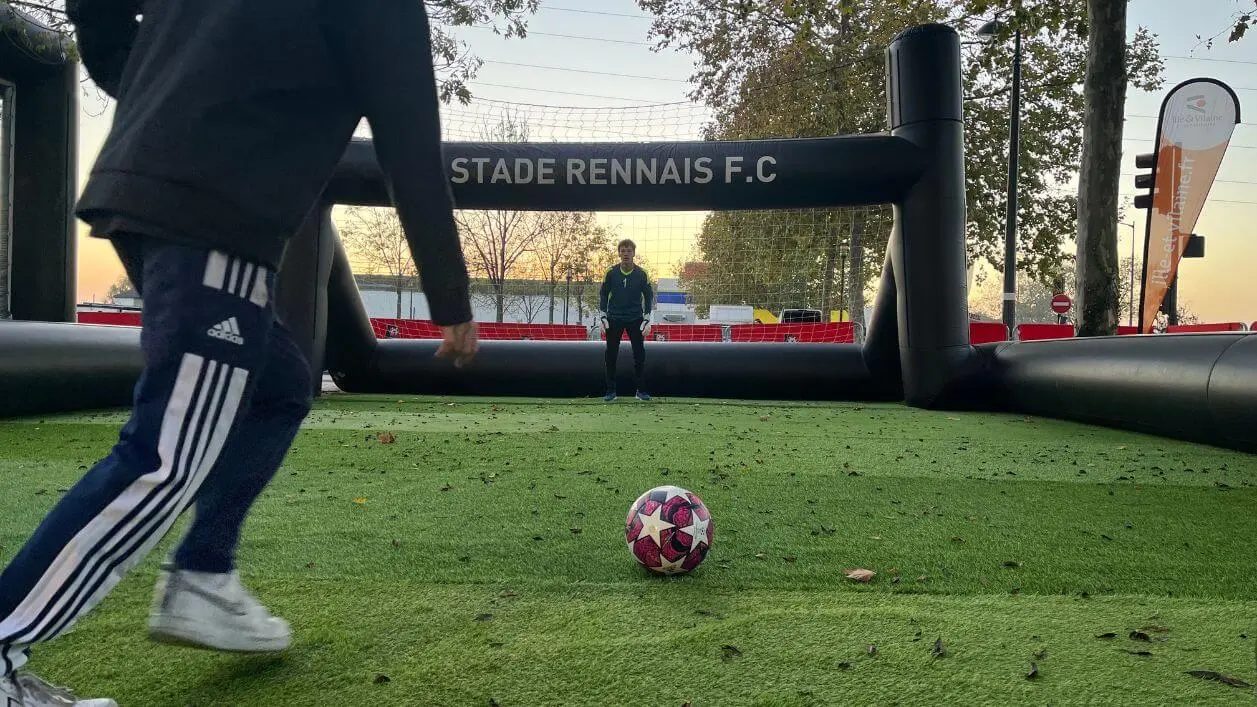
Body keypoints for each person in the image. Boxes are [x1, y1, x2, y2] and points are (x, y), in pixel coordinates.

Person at [0, 1, 478, 704]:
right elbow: (408, 134)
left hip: (148, 187)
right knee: (165, 456)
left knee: (279, 381)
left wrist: (156, 96)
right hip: (213, 209)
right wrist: (450, 298)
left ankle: (203, 571)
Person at [598, 239, 654, 402]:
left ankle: (641, 391)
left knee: (639, 354)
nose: (626, 254)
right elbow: (603, 294)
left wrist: (647, 318)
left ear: (634, 253)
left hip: (635, 318)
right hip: (614, 318)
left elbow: (649, 296)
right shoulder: (611, 272)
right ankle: (610, 391)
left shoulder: (642, 274)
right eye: (622, 251)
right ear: (619, 253)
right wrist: (602, 316)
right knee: (611, 355)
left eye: (629, 251)